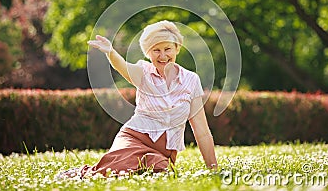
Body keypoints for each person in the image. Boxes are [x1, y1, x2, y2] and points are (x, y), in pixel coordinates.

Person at [58, 20, 217, 179]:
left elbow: (202, 131)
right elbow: (123, 66)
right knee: (119, 170)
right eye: (156, 50)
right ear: (148, 53)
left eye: (167, 49)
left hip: (163, 153)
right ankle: (83, 173)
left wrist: (213, 170)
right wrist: (111, 52)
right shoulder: (143, 73)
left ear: (177, 48)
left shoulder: (191, 80)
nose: (162, 56)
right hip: (133, 139)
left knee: (162, 172)